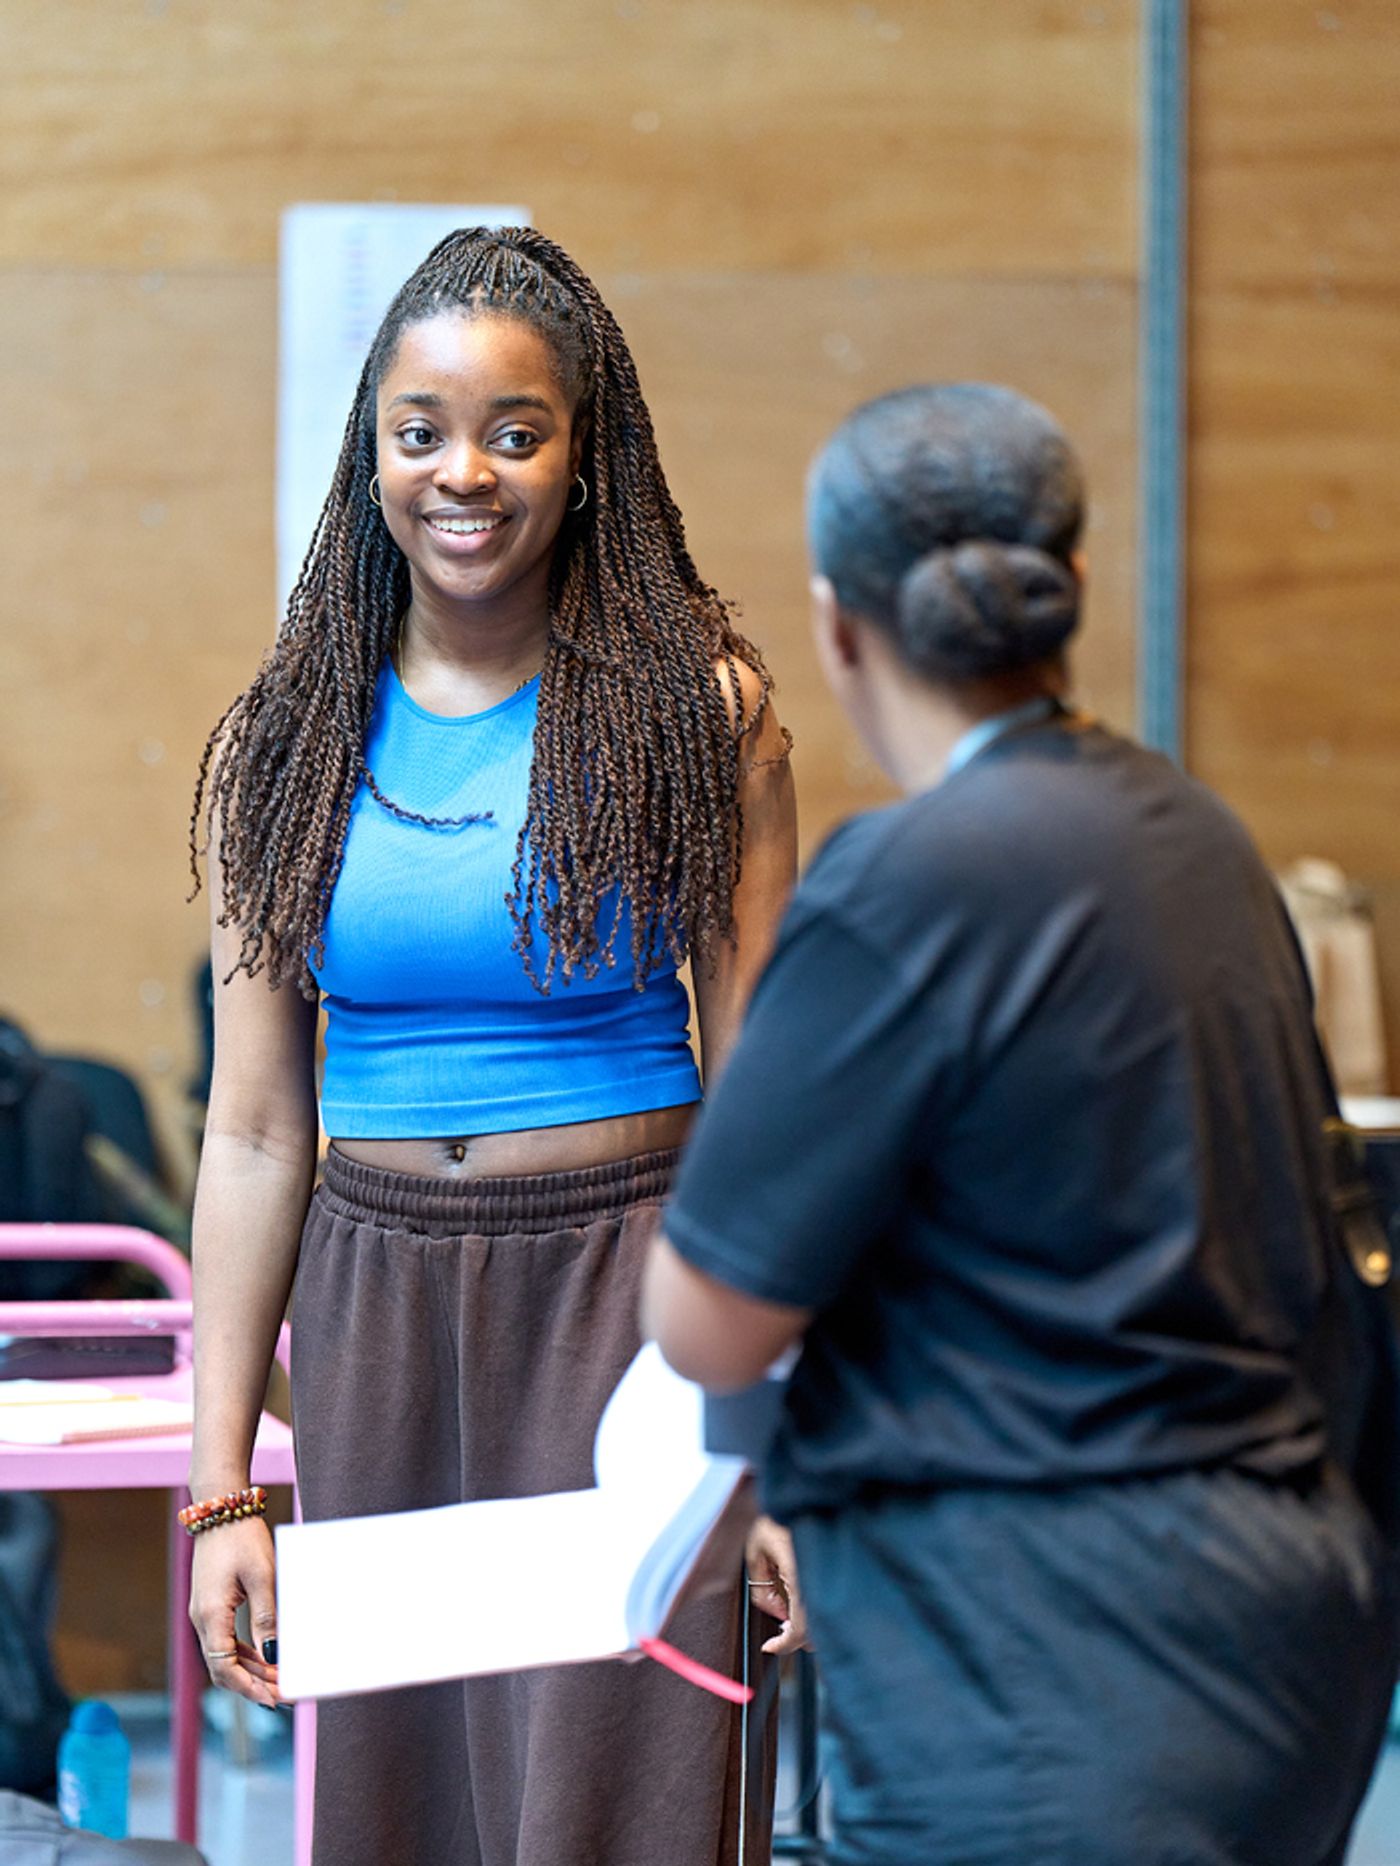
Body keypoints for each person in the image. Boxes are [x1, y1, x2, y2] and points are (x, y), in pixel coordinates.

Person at [644, 382, 1400, 1866]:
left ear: (836, 626)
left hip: (1046, 1664)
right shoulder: (1203, 837)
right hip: (1287, 1629)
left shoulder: (903, 882)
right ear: (1074, 590)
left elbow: (710, 1320)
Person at [185, 227, 796, 1866]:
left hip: (631, 1301)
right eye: (420, 430)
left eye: (516, 431)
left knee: (625, 1806)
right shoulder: (285, 741)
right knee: (404, 1817)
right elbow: (251, 1131)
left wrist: (782, 1448)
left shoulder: (700, 715)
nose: (466, 472)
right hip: (374, 1305)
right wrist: (224, 1484)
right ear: (371, 449)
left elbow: (764, 1110)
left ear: (586, 459)